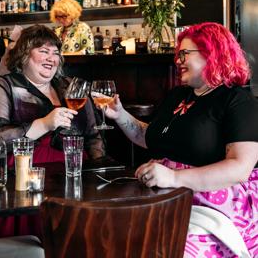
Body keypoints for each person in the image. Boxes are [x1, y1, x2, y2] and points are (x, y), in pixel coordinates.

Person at [105, 22, 258, 257]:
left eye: (185, 54)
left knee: (164, 250)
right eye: (179, 54)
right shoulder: (177, 95)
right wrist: (121, 116)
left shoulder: (237, 100)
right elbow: (151, 138)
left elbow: (239, 168)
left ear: (212, 52)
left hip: (215, 206)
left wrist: (174, 177)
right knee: (113, 238)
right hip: (165, 198)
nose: (178, 60)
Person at [0, 24, 105, 162]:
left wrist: (98, 170)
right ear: (24, 54)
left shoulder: (71, 87)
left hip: (77, 173)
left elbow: (93, 137)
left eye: (56, 53)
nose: (51, 59)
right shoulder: (1, 87)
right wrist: (44, 124)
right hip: (25, 176)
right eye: (44, 51)